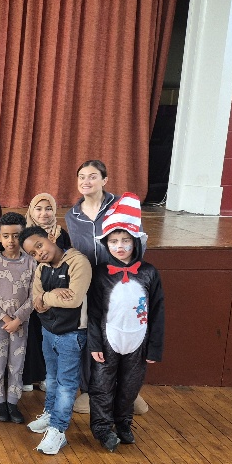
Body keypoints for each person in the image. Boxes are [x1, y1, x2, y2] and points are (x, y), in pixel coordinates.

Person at [64, 160, 149, 415]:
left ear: (104, 180)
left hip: (119, 282)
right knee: (91, 336)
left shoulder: (121, 207)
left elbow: (137, 242)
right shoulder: (72, 215)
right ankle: (91, 390)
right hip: (88, 284)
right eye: (81, 176)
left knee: (122, 336)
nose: (86, 181)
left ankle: (126, 391)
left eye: (92, 176)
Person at [87, 194, 165, 451]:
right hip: (108, 338)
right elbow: (94, 312)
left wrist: (154, 348)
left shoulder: (149, 273)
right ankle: (102, 428)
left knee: (130, 386)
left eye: (125, 241)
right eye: (113, 241)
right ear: (106, 244)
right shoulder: (100, 273)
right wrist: (95, 343)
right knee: (102, 386)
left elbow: (157, 311)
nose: (119, 246)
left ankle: (123, 423)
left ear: (135, 242)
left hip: (138, 340)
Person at [20, 225, 92, 455]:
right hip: (48, 331)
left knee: (66, 384)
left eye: (39, 245)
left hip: (72, 334)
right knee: (51, 378)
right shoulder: (42, 268)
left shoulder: (78, 262)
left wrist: (45, 298)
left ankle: (58, 430)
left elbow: (74, 300)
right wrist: (49, 296)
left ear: (51, 238)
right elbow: (36, 301)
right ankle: (50, 414)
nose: (39, 253)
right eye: (33, 253)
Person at [0, 212, 36, 424]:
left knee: (17, 362)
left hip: (21, 323)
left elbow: (35, 295)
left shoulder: (31, 263)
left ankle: (13, 401)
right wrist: (5, 318)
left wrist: (18, 319)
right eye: (6, 236)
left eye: (16, 235)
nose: (11, 240)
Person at [22, 193, 70, 391]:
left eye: (48, 208)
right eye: (39, 209)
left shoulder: (60, 234)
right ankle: (27, 377)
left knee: (48, 336)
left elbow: (67, 260)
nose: (44, 213)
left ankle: (46, 376)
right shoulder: (24, 233)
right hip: (28, 291)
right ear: (31, 211)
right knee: (30, 336)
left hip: (53, 290)